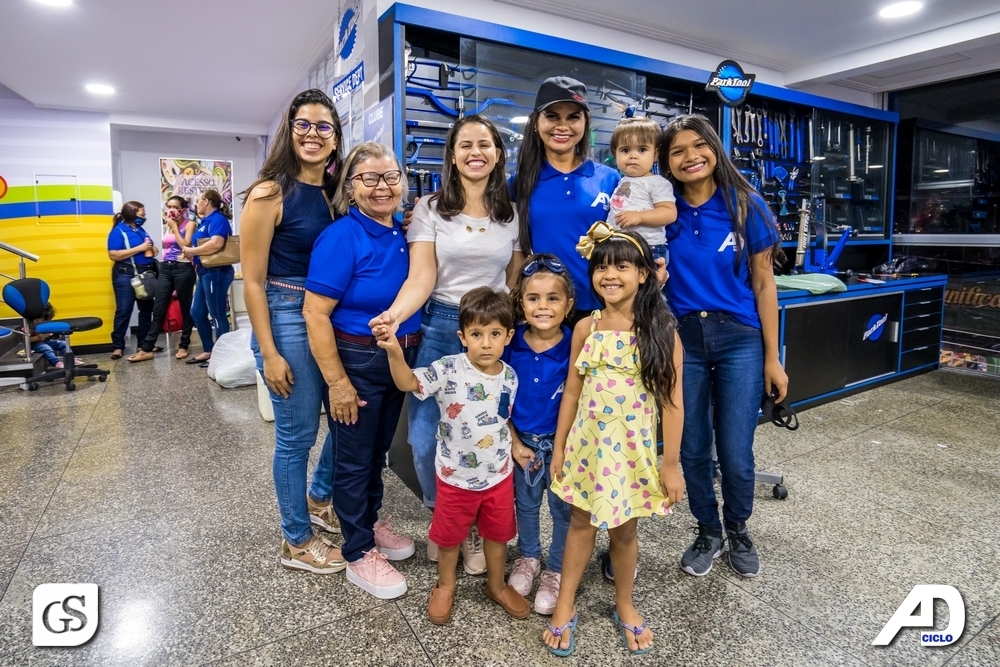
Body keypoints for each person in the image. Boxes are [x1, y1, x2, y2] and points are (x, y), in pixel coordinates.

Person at [369, 114, 522, 571]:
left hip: (492, 331)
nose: (476, 152)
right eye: (465, 145)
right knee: (422, 440)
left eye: (485, 144)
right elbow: (422, 276)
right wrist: (394, 316)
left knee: (486, 434)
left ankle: (474, 529)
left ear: (498, 154)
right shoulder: (431, 209)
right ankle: (446, 521)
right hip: (440, 326)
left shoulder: (512, 214)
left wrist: (505, 325)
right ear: (452, 156)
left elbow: (512, 277)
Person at [543, 222, 684, 657]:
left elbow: (672, 404)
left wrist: (671, 463)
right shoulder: (586, 328)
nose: (610, 275)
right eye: (602, 266)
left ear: (644, 273)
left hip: (632, 454)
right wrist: (561, 444)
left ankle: (624, 601)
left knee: (625, 532)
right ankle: (565, 601)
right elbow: (571, 390)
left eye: (622, 266)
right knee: (579, 525)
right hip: (587, 449)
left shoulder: (661, 331)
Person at [658, 114, 787, 579]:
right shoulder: (662, 209)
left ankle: (738, 528)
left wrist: (774, 358)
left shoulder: (744, 203)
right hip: (682, 339)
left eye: (698, 146)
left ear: (714, 149)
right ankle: (707, 530)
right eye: (677, 151)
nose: (690, 157)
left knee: (735, 449)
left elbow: (764, 282)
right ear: (666, 162)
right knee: (692, 447)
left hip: (740, 339)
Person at [303, 141, 420, 600]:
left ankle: (369, 526)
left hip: (397, 360)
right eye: (368, 178)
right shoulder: (341, 237)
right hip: (359, 360)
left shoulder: (399, 234)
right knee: (353, 462)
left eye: (390, 177)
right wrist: (338, 383)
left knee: (376, 457)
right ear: (350, 188)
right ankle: (357, 553)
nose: (381, 187)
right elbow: (315, 314)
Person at [379, 287, 531, 625]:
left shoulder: (509, 376)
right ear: (463, 336)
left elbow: (503, 419)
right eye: (477, 334)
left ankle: (496, 584)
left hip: (498, 476)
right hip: (454, 477)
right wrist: (394, 352)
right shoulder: (448, 368)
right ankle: (445, 585)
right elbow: (408, 383)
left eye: (495, 334)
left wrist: (517, 446)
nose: (486, 343)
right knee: (449, 537)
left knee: (498, 534)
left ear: (508, 335)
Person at [241, 89, 346, 573]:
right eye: (303, 124)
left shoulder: (337, 191)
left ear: (335, 137)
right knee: (297, 436)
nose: (312, 134)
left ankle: (320, 496)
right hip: (285, 313)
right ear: (289, 130)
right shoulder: (269, 193)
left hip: (331, 314)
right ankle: (296, 540)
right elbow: (254, 282)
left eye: (323, 126)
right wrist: (269, 352)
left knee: (348, 420)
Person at [502, 253, 575, 615]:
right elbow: (497, 400)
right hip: (524, 445)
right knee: (526, 505)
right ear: (521, 302)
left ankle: (557, 569)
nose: (542, 306)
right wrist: (515, 443)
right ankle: (528, 557)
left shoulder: (576, 344)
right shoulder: (509, 344)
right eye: (533, 298)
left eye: (553, 298)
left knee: (562, 510)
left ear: (568, 304)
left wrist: (562, 448)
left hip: (563, 445)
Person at [511, 76, 620, 319]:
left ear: (585, 123)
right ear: (537, 123)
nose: (563, 126)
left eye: (573, 117)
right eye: (552, 116)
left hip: (603, 307)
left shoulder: (610, 179)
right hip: (545, 311)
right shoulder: (520, 183)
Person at [128, 195, 196, 362]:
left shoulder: (190, 224)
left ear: (183, 210)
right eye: (169, 207)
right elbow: (168, 246)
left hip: (183, 268)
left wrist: (173, 227)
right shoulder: (168, 225)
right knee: (158, 308)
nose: (171, 210)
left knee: (185, 308)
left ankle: (184, 344)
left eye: (175, 207)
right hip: (166, 268)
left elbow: (186, 246)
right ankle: (147, 348)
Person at [606, 116, 677, 266]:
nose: (633, 156)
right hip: (621, 247)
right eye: (625, 150)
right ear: (615, 153)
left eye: (642, 149)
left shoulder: (657, 183)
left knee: (646, 289)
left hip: (648, 249)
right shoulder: (622, 181)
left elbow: (669, 213)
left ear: (656, 154)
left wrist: (639, 217)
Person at [182, 189, 234, 366]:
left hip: (217, 272)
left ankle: (221, 354)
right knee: (197, 312)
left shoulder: (218, 219)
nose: (196, 204)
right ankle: (209, 350)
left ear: (206, 201)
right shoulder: (205, 222)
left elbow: (217, 243)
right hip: (204, 271)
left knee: (217, 313)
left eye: (198, 200)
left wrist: (192, 251)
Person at [106, 200, 158, 360]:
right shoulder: (118, 231)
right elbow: (113, 254)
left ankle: (143, 344)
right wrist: (140, 249)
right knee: (124, 310)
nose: (144, 217)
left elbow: (150, 247)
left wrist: (153, 250)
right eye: (141, 215)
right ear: (131, 214)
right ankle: (118, 346)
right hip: (125, 274)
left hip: (144, 275)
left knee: (146, 311)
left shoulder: (141, 230)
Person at [29, 303, 83, 368]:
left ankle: (70, 360)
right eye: (43, 320)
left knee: (64, 344)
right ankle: (56, 362)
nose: (46, 322)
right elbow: (26, 339)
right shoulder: (29, 325)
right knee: (46, 348)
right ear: (35, 318)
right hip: (35, 344)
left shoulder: (44, 323)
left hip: (46, 341)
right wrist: (39, 337)